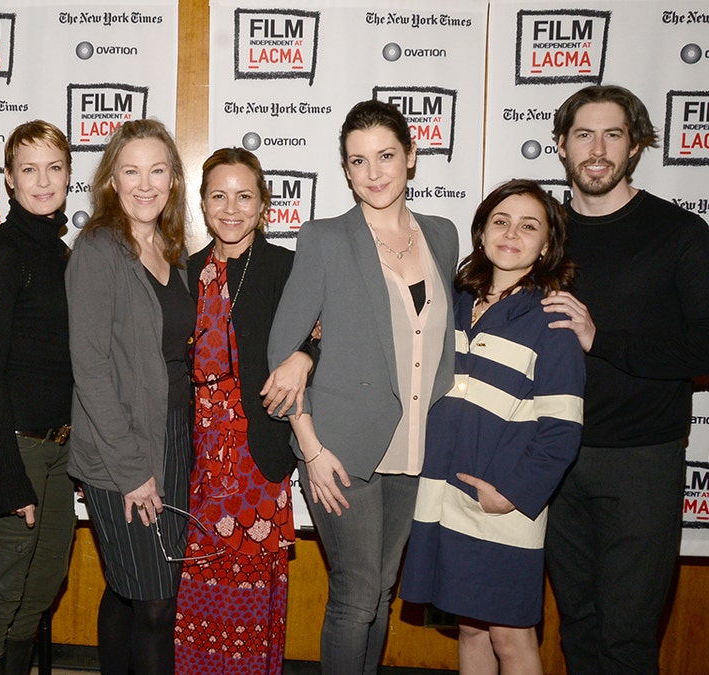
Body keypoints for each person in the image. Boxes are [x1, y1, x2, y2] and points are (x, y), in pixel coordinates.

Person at [266, 99, 459, 675]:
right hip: (341, 450)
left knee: (381, 593)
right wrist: (312, 449)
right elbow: (283, 350)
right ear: (345, 170)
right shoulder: (325, 238)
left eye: (386, 156)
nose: (374, 173)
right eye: (358, 161)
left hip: (416, 446)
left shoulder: (444, 237)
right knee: (354, 595)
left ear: (412, 158)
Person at [540, 84, 709, 674]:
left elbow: (704, 343)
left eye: (613, 134)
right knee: (578, 627)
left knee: (629, 637)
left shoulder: (679, 234)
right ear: (561, 145)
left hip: (641, 459)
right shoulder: (542, 234)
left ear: (635, 146)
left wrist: (601, 338)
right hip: (556, 454)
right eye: (583, 134)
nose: (597, 149)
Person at [400, 179, 585, 674]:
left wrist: (511, 495)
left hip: (502, 505)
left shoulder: (553, 321)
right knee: (470, 627)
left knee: (511, 634)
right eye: (501, 221)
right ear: (481, 232)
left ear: (546, 245)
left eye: (529, 226)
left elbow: (562, 431)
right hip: (443, 495)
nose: (511, 233)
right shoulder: (455, 304)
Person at [66, 118, 194, 675]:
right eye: (131, 171)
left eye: (157, 170)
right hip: (121, 448)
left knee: (129, 587)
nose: (146, 184)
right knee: (154, 600)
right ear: (112, 180)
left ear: (173, 179)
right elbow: (90, 369)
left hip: (172, 437)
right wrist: (130, 471)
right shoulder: (99, 248)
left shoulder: (170, 247)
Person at [174, 148, 308, 674]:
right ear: (202, 204)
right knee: (195, 586)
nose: (231, 208)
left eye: (244, 196)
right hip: (196, 460)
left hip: (256, 455)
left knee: (250, 590)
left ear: (264, 204)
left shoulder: (285, 268)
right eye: (218, 196)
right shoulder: (184, 272)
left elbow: (322, 332)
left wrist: (304, 356)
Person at [0, 120, 75, 675]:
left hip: (56, 451)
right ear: (9, 180)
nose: (43, 180)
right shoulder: (3, 252)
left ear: (70, 176)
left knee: (41, 586)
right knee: (0, 593)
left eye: (54, 167)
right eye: (29, 169)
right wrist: (9, 472)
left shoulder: (59, 252)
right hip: (10, 448)